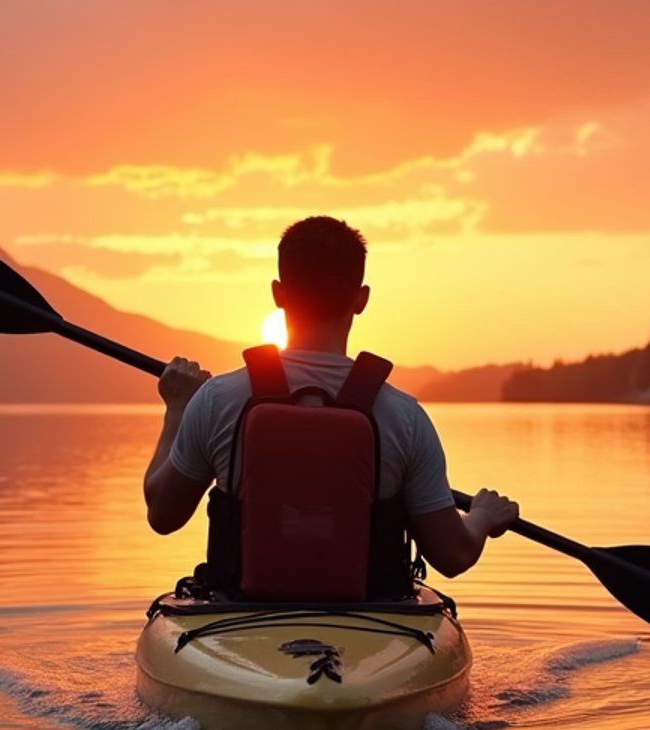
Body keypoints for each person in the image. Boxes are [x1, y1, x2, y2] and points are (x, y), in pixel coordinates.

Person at [143, 215, 518, 596]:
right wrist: (482, 517)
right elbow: (453, 554)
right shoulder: (404, 416)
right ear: (361, 299)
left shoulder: (215, 400)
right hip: (373, 628)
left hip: (239, 622)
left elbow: (163, 514)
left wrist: (177, 408)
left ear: (278, 294)